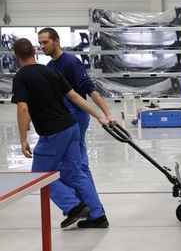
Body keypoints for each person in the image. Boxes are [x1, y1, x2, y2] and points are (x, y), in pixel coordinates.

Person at [11, 38, 110, 228]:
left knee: (40, 175)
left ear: (16, 56)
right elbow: (75, 96)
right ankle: (98, 215)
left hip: (54, 132)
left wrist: (23, 138)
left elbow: (23, 108)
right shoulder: (50, 71)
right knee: (75, 173)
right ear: (34, 51)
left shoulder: (22, 77)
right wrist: (99, 116)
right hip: (71, 127)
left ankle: (73, 206)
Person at [38, 28, 117, 228]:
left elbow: (89, 89)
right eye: (40, 43)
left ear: (56, 41)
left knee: (68, 168)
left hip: (74, 118)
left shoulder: (71, 62)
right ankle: (93, 213)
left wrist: (106, 113)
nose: (42, 46)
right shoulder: (50, 65)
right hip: (65, 118)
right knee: (78, 166)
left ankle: (78, 206)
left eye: (45, 42)